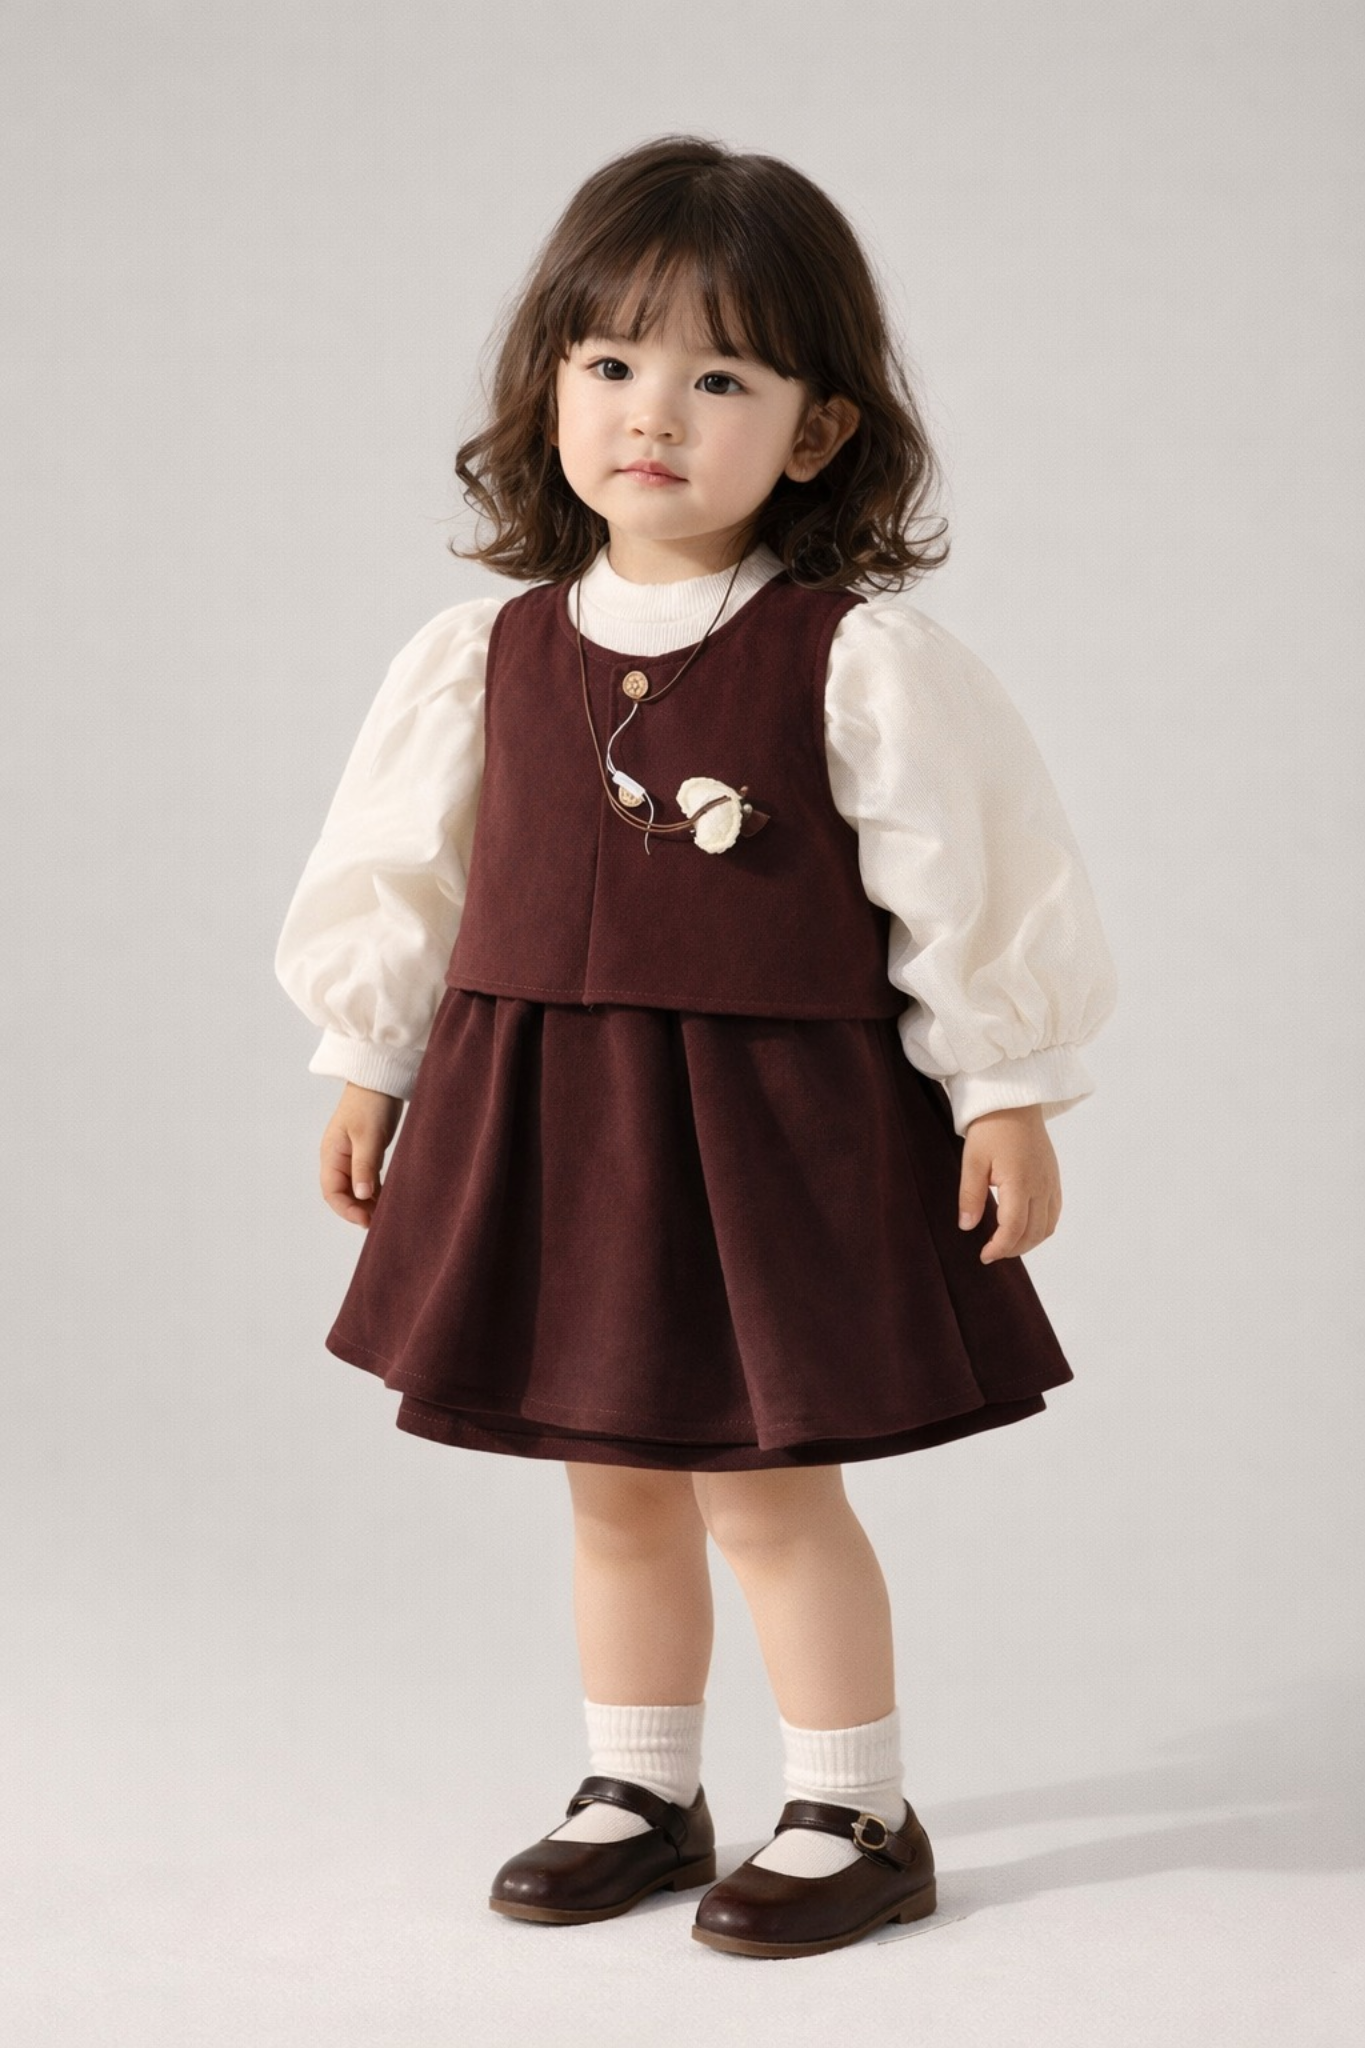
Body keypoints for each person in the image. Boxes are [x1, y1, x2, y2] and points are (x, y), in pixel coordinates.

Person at [274, 134, 1118, 1961]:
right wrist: (367, 1064)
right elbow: (403, 882)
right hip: (558, 1121)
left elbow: (972, 885)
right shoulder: (482, 656)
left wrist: (1003, 1092)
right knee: (612, 1485)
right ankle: (643, 1786)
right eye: (610, 362)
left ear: (817, 432)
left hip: (768, 1136)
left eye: (720, 376)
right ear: (550, 389)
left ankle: (858, 1807)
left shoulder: (856, 660)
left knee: (766, 1486)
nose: (652, 411)